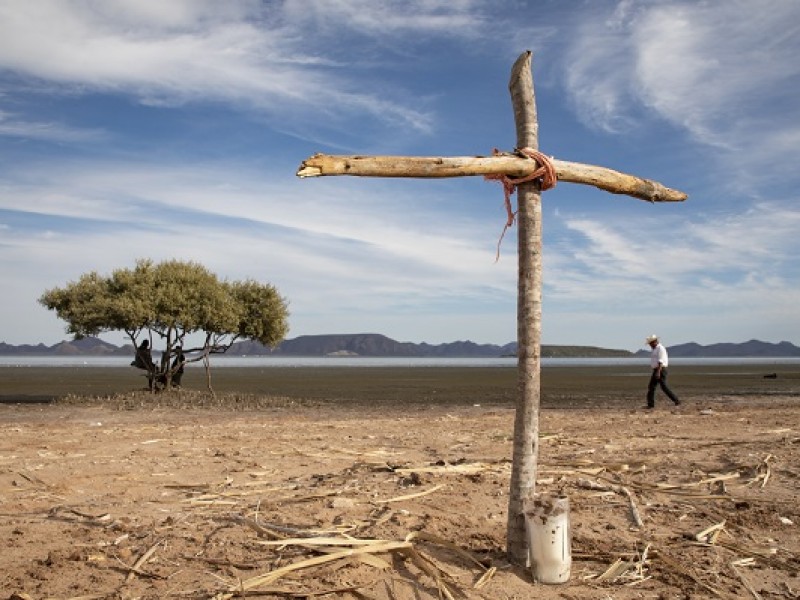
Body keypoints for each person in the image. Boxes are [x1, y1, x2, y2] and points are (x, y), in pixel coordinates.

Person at [645, 334, 680, 409]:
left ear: (655, 341)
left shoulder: (660, 348)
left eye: (651, 343)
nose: (650, 345)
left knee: (663, 387)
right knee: (652, 387)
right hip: (657, 369)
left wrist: (658, 372)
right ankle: (650, 404)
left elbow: (661, 360)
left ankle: (676, 400)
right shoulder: (655, 349)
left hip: (660, 369)